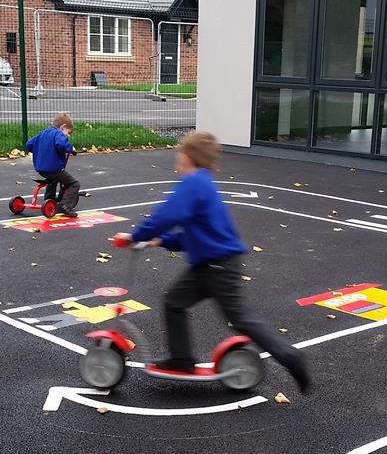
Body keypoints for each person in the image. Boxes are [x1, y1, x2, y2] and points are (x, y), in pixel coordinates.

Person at [114, 131, 310, 392]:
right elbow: (195, 233)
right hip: (208, 265)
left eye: (180, 153)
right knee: (174, 302)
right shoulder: (202, 183)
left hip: (219, 266)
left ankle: (291, 357)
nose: (178, 157)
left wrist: (134, 236)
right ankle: (182, 360)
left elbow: (166, 216)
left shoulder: (194, 183)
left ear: (187, 156)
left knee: (240, 318)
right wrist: (161, 241)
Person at [26, 112, 80, 217]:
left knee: (53, 180)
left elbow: (29, 144)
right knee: (74, 183)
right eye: (68, 133)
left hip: (40, 169)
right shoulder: (58, 134)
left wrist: (40, 150)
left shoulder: (43, 133)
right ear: (63, 127)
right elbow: (61, 144)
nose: (68, 136)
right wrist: (70, 148)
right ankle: (65, 205)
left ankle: (49, 199)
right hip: (54, 169)